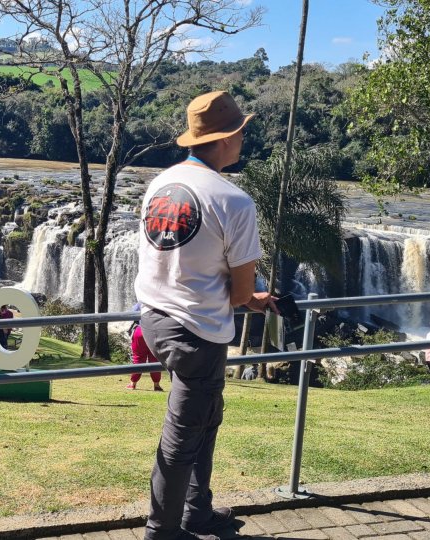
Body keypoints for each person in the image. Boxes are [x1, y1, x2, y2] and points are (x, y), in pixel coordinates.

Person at [134, 90, 276, 540]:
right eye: (240, 133)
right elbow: (238, 292)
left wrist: (243, 296)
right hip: (197, 333)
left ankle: (198, 512)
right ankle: (162, 530)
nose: (242, 141)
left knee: (205, 417)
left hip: (154, 318)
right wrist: (252, 297)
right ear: (224, 139)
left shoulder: (162, 183)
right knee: (183, 436)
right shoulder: (234, 201)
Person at [127, 324, 164, 391]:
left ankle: (133, 384)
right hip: (155, 331)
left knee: (138, 358)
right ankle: (156, 385)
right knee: (155, 359)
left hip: (140, 330)